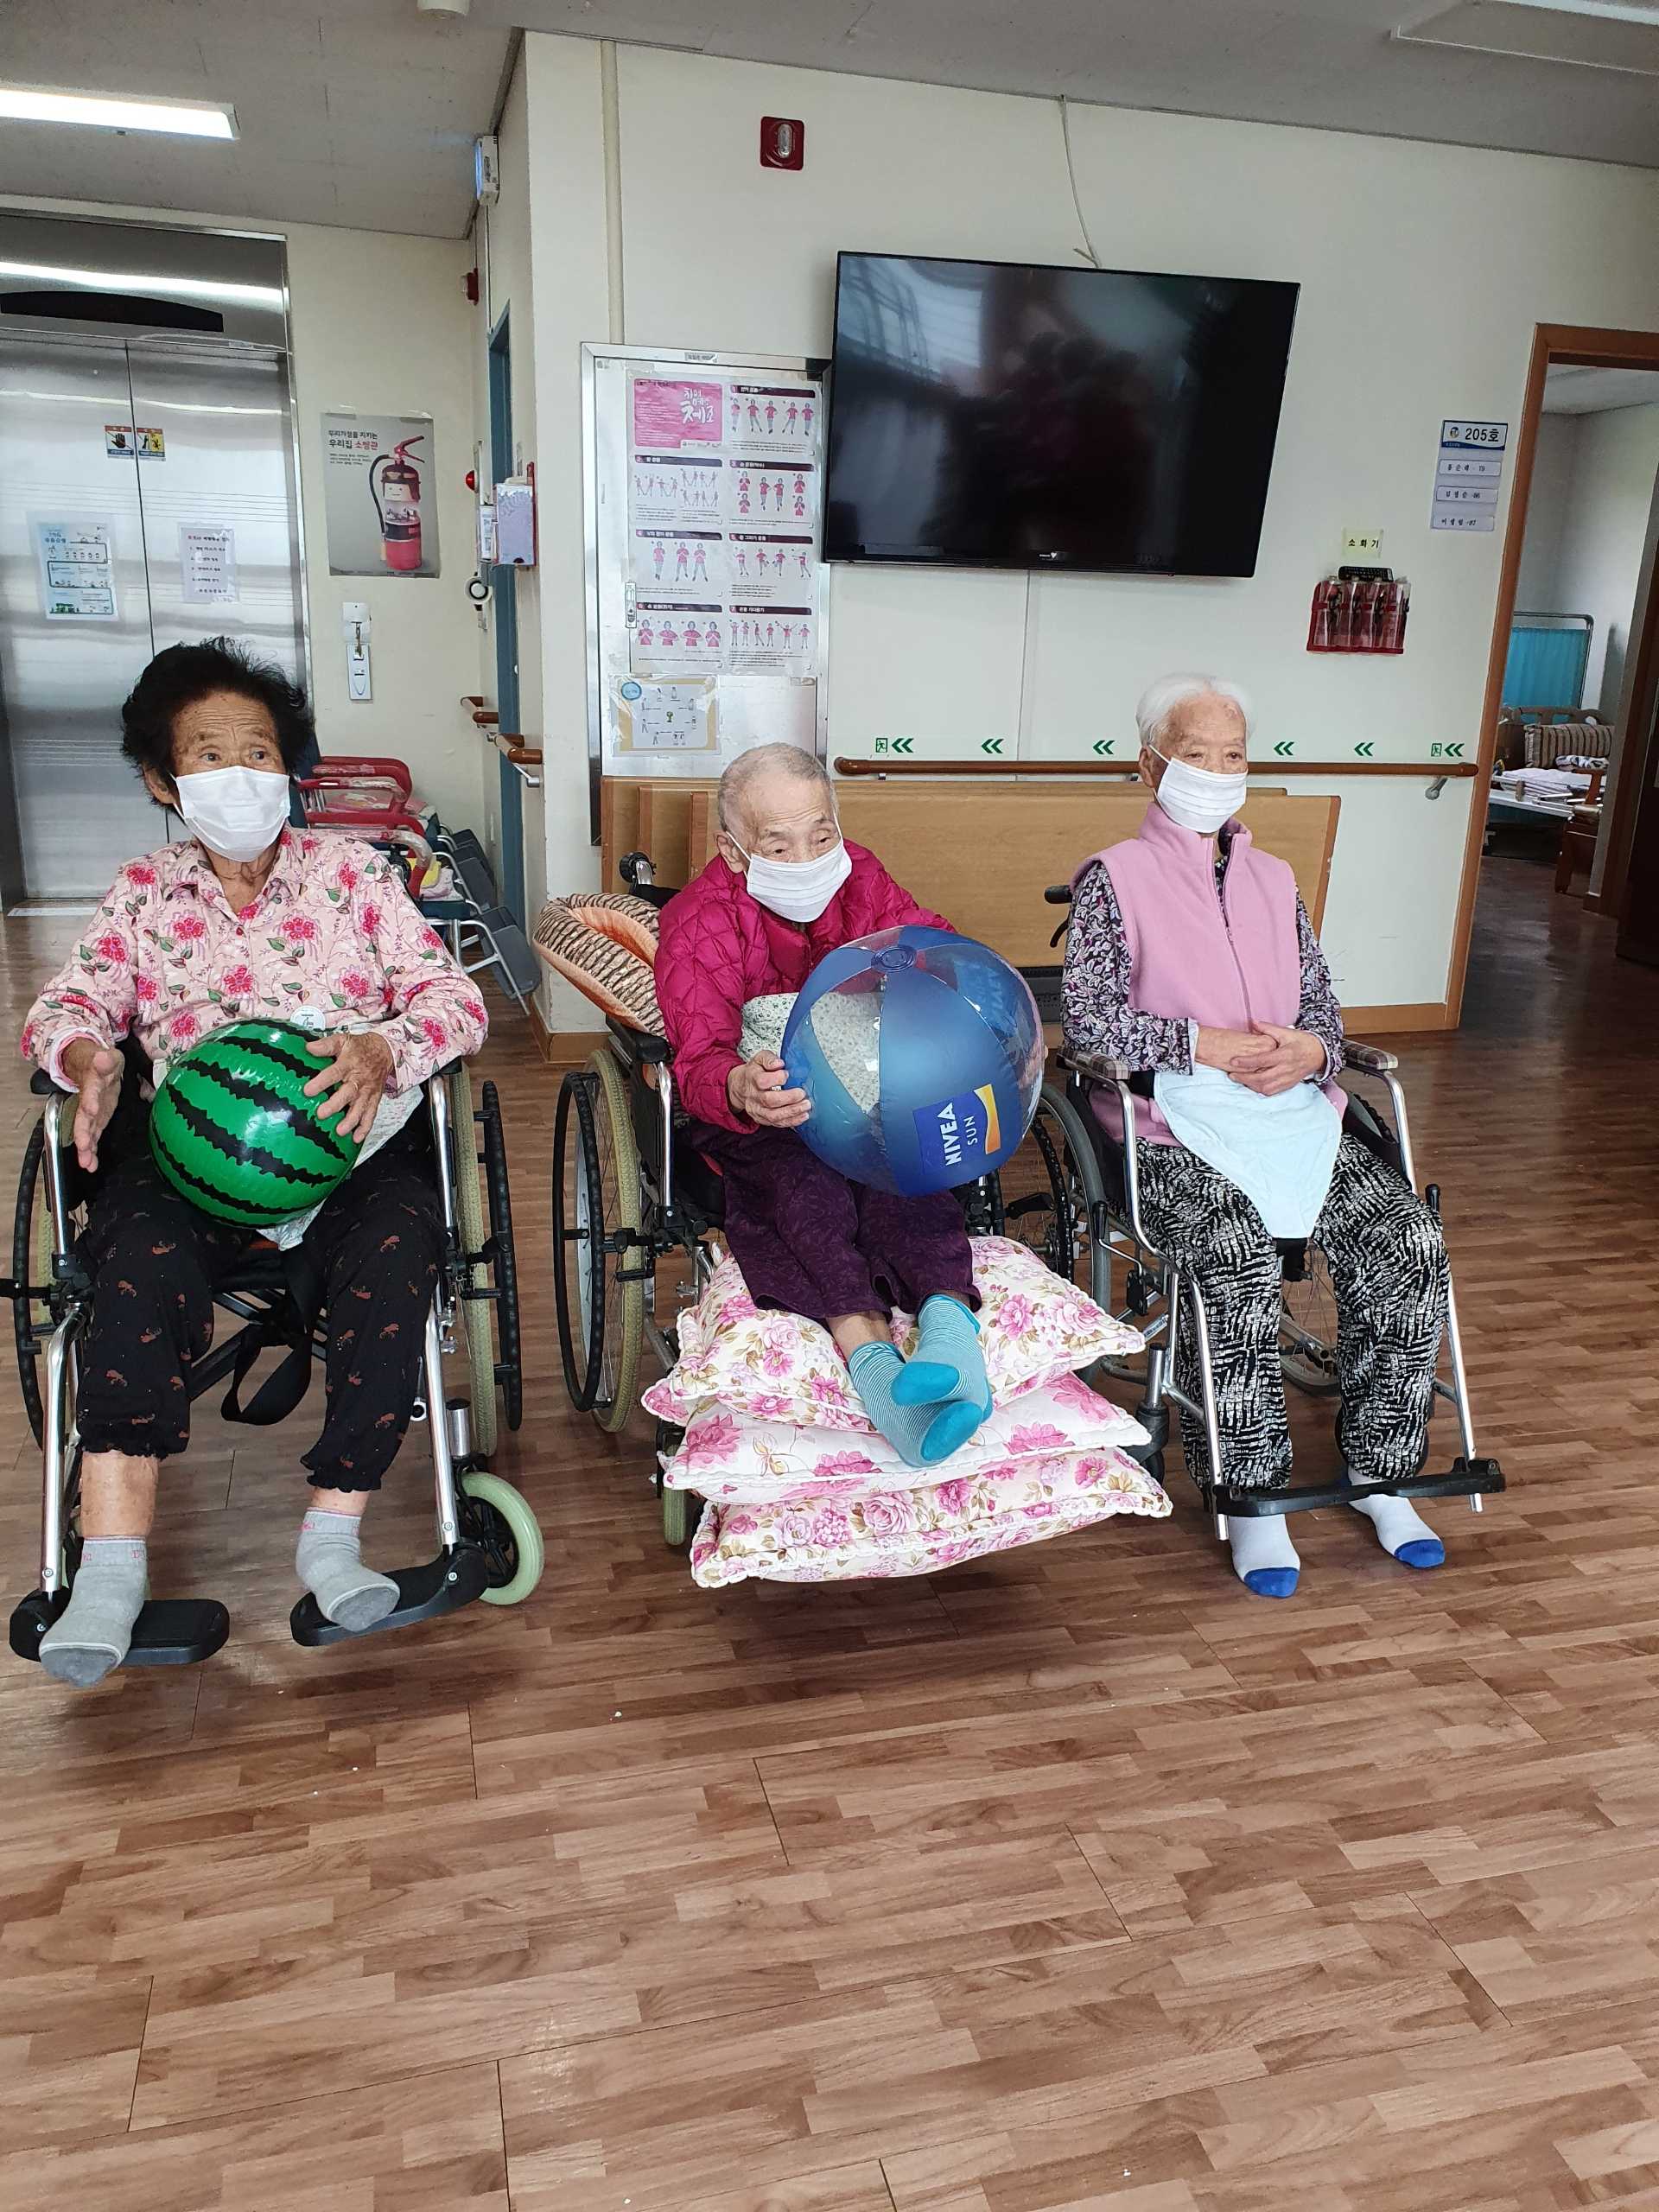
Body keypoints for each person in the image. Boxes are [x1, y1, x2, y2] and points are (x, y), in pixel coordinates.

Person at [20, 638, 487, 1685]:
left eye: (260, 752)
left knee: (401, 1250)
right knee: (130, 1263)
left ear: (290, 767)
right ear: (163, 781)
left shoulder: (355, 877)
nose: (241, 775)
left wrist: (384, 1048)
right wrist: (89, 1056)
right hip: (193, 1156)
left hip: (349, 1142)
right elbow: (66, 1006)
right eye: (209, 756)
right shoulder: (143, 893)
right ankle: (109, 1573)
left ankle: (333, 1539)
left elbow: (453, 999)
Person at [1062, 674, 1449, 1599]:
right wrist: (1200, 1044)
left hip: (1286, 1112)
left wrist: (1314, 1050)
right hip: (1163, 1126)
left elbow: (1322, 1009)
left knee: (1408, 1239)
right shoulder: (1114, 878)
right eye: (1194, 754)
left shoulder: (1277, 880)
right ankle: (1250, 1493)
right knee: (1232, 1250)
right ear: (1149, 765)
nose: (1216, 770)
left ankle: (1384, 1473)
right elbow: (1088, 1025)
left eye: (1232, 755)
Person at [655, 744, 989, 1469]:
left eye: (821, 835)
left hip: (865, 1090)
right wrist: (740, 1087)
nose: (807, 859)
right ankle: (877, 1369)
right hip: (768, 1112)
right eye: (778, 845)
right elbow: (698, 1056)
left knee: (908, 1175)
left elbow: (929, 940)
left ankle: (949, 1336)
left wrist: (944, 975)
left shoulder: (860, 875)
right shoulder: (698, 920)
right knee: (807, 1196)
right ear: (733, 850)